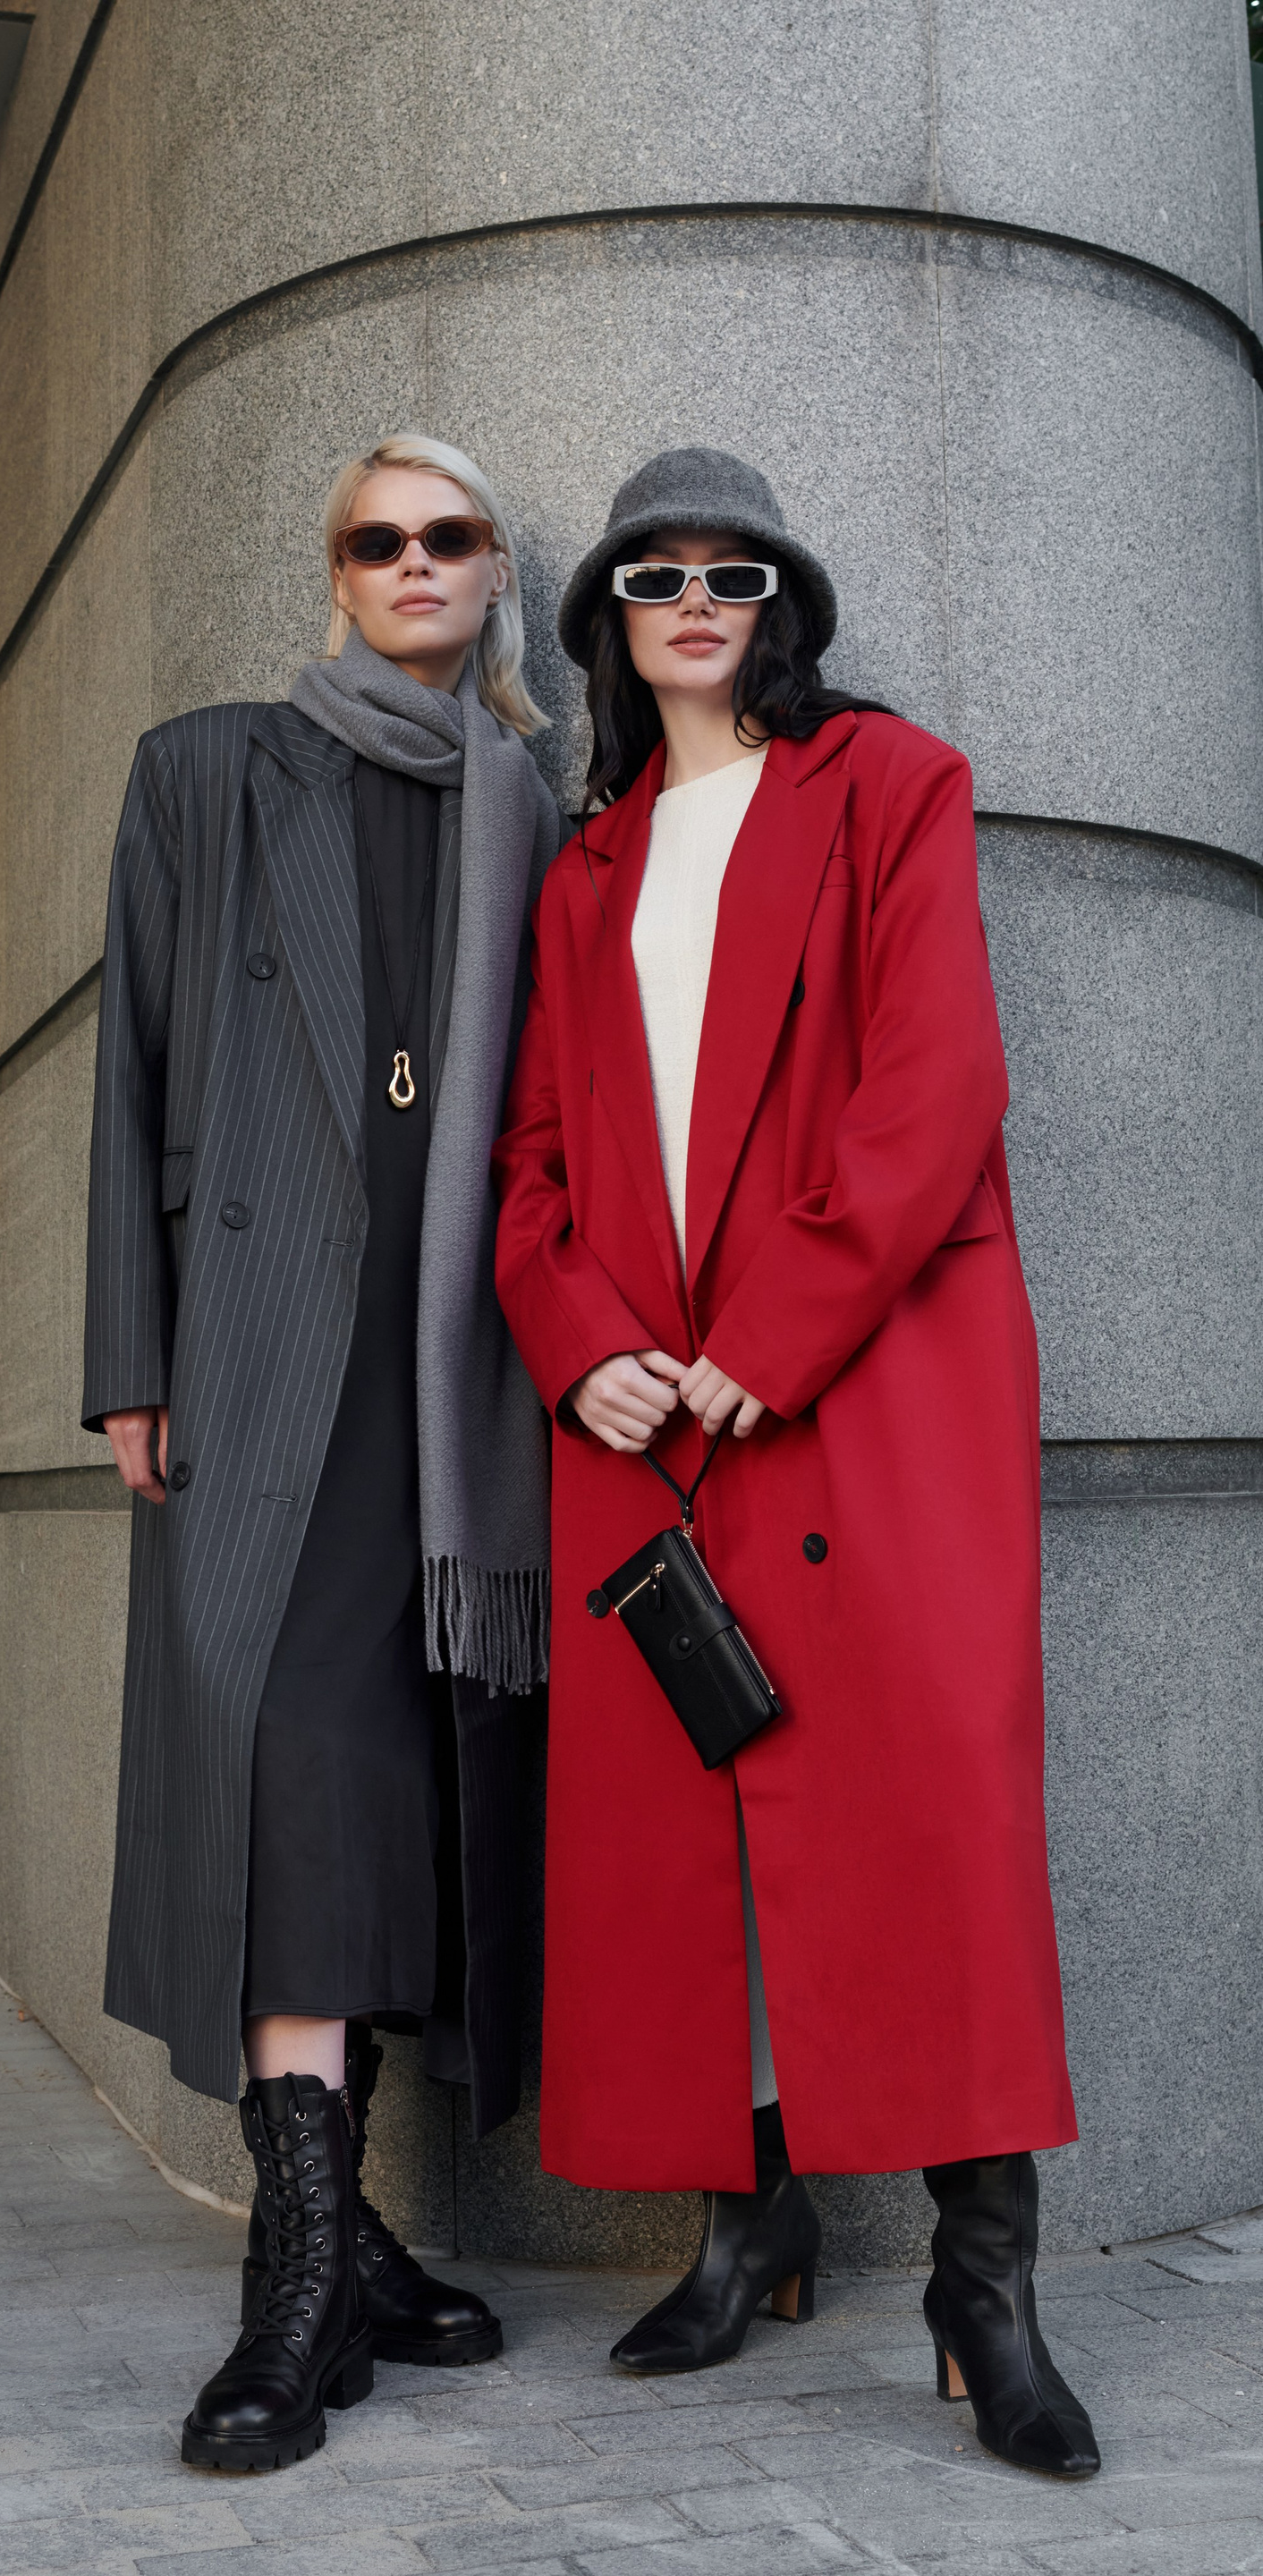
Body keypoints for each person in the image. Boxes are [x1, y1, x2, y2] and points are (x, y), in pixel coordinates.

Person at [491, 446, 1100, 2480]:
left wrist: (766, 1339)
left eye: (731, 572)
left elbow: (936, 1087)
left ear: (782, 607)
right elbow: (530, 1164)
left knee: (930, 1817)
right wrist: (584, 1347)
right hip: (651, 1422)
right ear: (608, 620)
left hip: (864, 1383)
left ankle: (984, 2290)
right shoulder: (584, 871)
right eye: (653, 574)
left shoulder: (887, 788)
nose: (693, 600)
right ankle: (744, 2229)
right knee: (691, 1837)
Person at [81, 436, 562, 2472]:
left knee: (391, 1798)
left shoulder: (540, 807)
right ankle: (299, 2287)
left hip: (456, 1381)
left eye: (450, 536)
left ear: (495, 569)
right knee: (285, 1774)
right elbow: (129, 1075)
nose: (414, 563)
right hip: (264, 1357)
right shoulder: (208, 771)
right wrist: (130, 1359)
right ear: (337, 573)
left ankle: (340, 2255)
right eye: (379, 540)